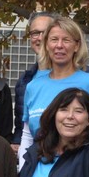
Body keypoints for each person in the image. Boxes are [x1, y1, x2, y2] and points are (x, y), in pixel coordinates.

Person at [18, 17, 89, 161]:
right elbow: (27, 136)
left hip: (77, 171)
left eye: (66, 40)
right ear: (47, 44)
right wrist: (24, 170)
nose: (59, 45)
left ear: (76, 46)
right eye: (54, 39)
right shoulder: (33, 86)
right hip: (38, 172)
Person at [13, 11, 57, 154]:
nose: (40, 38)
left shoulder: (83, 76)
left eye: (46, 32)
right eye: (35, 33)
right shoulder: (24, 82)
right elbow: (21, 128)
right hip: (34, 163)